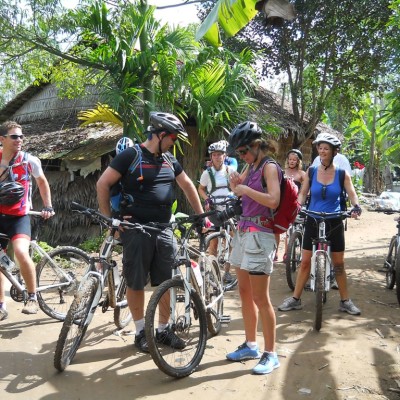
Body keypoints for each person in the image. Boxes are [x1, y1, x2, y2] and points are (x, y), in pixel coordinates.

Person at [96, 111, 205, 353]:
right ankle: (140, 332)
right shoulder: (130, 155)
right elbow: (102, 183)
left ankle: (163, 330)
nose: (174, 143)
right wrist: (109, 220)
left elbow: (187, 185)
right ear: (161, 135)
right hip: (135, 228)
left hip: (163, 228)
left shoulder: (168, 160)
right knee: (135, 281)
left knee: (166, 280)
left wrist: (200, 217)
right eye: (173, 138)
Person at [278, 132, 362, 315]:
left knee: (339, 264)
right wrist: (298, 205)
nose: (322, 152)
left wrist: (356, 206)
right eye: (320, 148)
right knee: (306, 262)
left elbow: (352, 193)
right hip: (313, 219)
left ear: (334, 152)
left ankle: (345, 301)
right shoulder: (312, 171)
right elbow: (303, 192)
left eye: (326, 149)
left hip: (335, 220)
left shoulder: (342, 174)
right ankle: (295, 299)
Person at [225, 121, 280, 375]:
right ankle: (250, 345)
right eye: (238, 153)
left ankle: (271, 353)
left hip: (261, 235)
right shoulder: (251, 165)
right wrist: (235, 183)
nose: (242, 156)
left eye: (244, 151)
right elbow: (237, 193)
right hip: (244, 232)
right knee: (244, 293)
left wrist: (245, 188)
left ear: (257, 145)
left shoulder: (269, 167)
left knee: (261, 298)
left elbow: (273, 200)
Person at [0, 121, 55, 320]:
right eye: (14, 136)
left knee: (21, 253)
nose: (20, 140)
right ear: (2, 139)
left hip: (19, 217)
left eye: (21, 136)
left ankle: (32, 297)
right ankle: (1, 305)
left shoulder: (29, 160)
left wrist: (47, 206)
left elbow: (42, 181)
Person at [198, 140, 235, 284]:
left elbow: (236, 187)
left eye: (220, 154)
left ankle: (227, 272)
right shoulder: (207, 173)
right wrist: (207, 199)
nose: (217, 157)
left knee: (232, 240)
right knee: (213, 242)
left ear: (224, 156)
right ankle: (212, 271)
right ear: (211, 157)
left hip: (228, 208)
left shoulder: (230, 171)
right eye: (214, 155)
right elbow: (200, 189)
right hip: (214, 209)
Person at [280, 149, 306, 261]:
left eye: (294, 160)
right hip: (285, 204)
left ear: (298, 161)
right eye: (290, 159)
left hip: (298, 203)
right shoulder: (282, 172)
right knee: (287, 230)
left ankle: (303, 251)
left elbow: (306, 189)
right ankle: (287, 252)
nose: (291, 161)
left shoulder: (302, 174)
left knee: (303, 228)